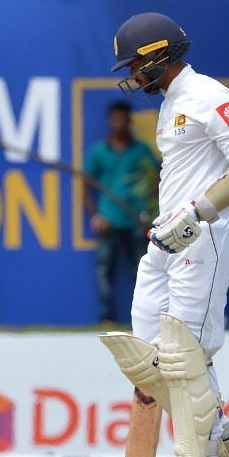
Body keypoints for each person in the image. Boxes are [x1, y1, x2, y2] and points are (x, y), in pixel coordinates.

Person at [99, 12, 229, 457]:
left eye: (136, 64)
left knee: (184, 353)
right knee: (145, 352)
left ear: (159, 56)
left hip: (204, 235)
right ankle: (222, 435)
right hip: (166, 238)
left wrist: (197, 215)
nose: (133, 75)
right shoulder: (172, 100)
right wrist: (171, 225)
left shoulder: (209, 95)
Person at [83, 100, 158, 324]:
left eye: (123, 118)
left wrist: (149, 214)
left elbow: (155, 182)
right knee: (105, 271)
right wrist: (96, 216)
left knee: (143, 272)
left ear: (129, 120)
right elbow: (86, 184)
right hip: (110, 222)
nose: (119, 123)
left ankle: (143, 318)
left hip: (137, 221)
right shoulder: (99, 151)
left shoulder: (142, 150)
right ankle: (106, 318)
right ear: (109, 120)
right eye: (115, 118)